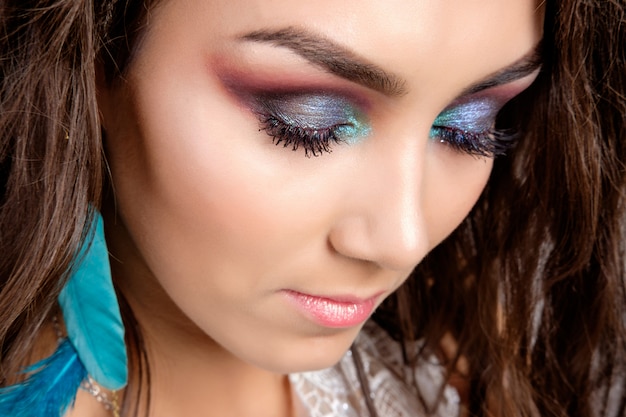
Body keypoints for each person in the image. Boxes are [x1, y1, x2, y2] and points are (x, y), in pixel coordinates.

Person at [0, 0, 624, 416]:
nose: (402, 238)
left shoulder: (465, 356)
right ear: (90, 63)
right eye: (309, 122)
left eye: (469, 126)